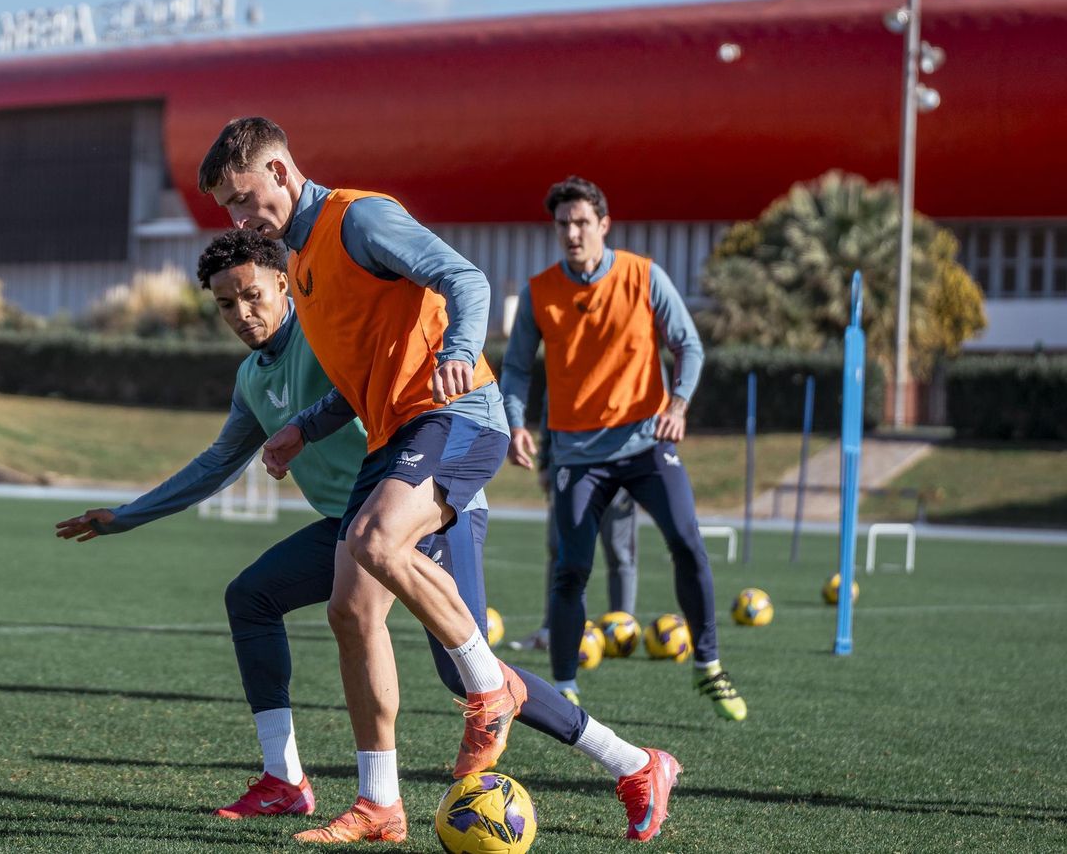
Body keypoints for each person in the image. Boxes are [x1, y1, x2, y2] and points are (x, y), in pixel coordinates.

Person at [203, 118, 680, 844]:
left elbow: (466, 278)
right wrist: (307, 425)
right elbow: (363, 377)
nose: (240, 220)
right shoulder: (299, 258)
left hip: (454, 415)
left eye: (243, 199)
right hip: (394, 439)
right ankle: (381, 803)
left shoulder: (357, 217)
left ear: (279, 168)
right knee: (349, 613)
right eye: (228, 211)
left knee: (381, 556)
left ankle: (511, 699)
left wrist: (460, 347)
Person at [57, 228, 498, 824]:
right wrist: (126, 517)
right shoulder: (250, 379)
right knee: (252, 597)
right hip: (350, 529)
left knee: (459, 668)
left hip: (425, 515)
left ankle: (622, 758)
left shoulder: (324, 337)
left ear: (284, 285)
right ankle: (284, 780)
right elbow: (217, 464)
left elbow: (399, 364)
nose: (241, 313)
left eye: (252, 295)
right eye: (225, 304)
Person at [503, 174, 746, 721]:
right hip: (575, 455)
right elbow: (516, 369)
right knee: (570, 569)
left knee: (687, 542)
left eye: (582, 222)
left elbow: (689, 345)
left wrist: (678, 404)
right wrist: (516, 422)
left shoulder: (643, 275)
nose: (572, 233)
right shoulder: (541, 292)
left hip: (645, 443)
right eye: (563, 223)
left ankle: (708, 665)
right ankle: (564, 690)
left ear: (603, 225)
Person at [507, 411, 639, 653]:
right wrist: (546, 462)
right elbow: (551, 408)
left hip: (622, 463)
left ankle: (623, 635)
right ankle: (555, 631)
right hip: (570, 463)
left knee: (620, 553)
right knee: (562, 551)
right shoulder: (563, 372)